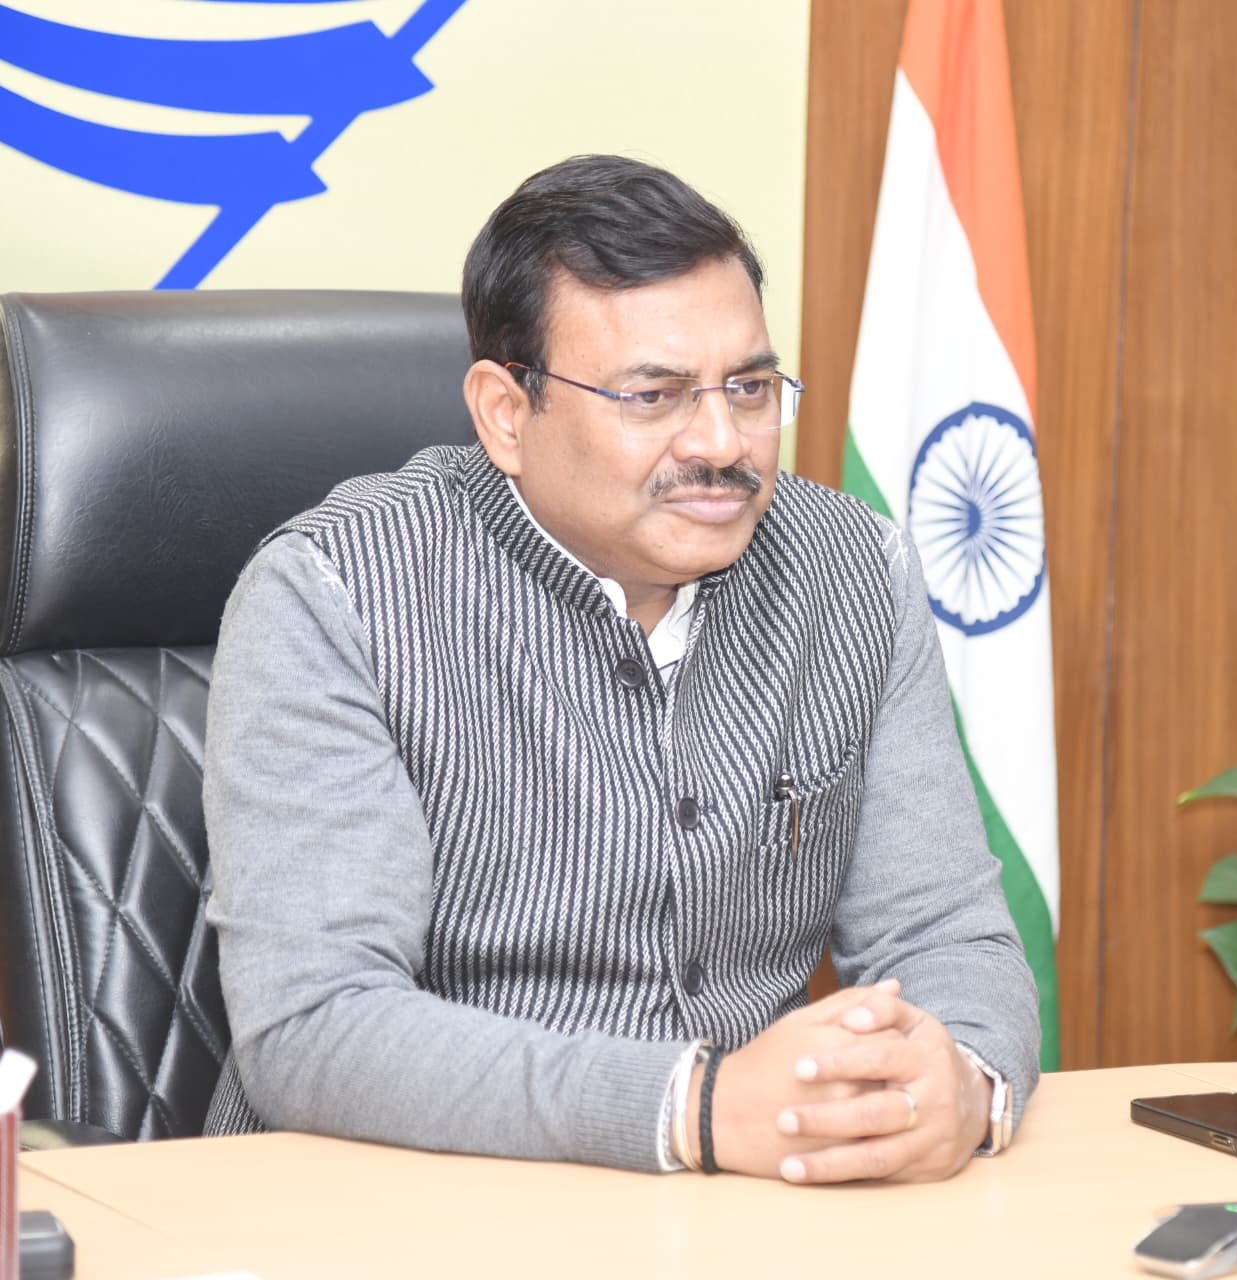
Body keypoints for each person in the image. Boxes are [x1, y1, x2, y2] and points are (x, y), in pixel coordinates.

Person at [203, 154, 1039, 1183]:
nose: (723, 443)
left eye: (749, 387)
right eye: (653, 395)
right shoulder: (335, 591)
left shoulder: (854, 570)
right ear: (505, 414)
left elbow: (946, 933)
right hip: (389, 1202)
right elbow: (315, 1026)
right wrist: (693, 1108)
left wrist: (960, 1081)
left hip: (741, 1206)